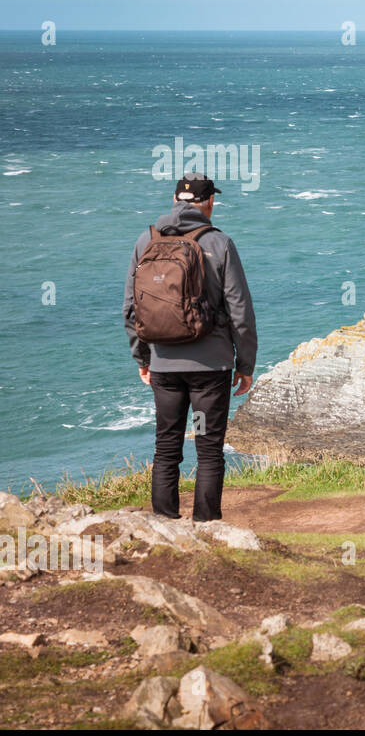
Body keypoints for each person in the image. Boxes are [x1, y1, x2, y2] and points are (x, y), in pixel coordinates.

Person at [123, 173, 257, 521]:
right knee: (209, 451)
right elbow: (239, 310)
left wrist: (143, 358)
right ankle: (206, 525)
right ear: (210, 202)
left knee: (166, 449)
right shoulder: (219, 243)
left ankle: (164, 524)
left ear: (174, 199)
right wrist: (245, 364)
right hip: (210, 369)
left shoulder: (145, 241)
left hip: (164, 366)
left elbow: (130, 308)